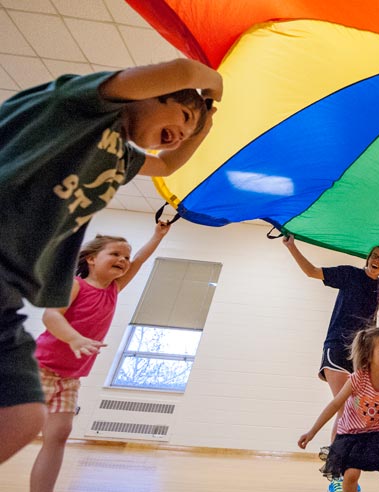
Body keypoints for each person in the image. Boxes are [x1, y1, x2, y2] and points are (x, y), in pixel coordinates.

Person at [0, 58, 222, 464]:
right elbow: (185, 71)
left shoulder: (120, 156)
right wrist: (212, 87)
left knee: (20, 419)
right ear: (148, 94)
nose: (181, 134)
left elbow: (170, 164)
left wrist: (201, 129)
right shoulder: (79, 105)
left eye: (188, 130)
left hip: (9, 290)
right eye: (182, 116)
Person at [29, 222, 172, 492]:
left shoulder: (113, 290)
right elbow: (51, 316)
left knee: (58, 435)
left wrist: (157, 236)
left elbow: (140, 261)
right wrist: (74, 338)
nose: (123, 260)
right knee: (16, 429)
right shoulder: (75, 286)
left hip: (71, 377)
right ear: (91, 259)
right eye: (116, 254)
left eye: (126, 257)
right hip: (41, 369)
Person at [283, 235, 379, 445]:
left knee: (350, 408)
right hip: (337, 348)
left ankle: (336, 460)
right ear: (368, 258)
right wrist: (291, 246)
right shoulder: (349, 274)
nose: (376, 260)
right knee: (347, 407)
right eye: (374, 256)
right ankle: (337, 464)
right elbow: (311, 272)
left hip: (361, 355)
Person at [298, 327, 379, 492]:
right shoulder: (358, 379)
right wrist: (312, 432)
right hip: (351, 435)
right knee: (352, 474)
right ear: (369, 355)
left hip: (377, 434)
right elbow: (335, 405)